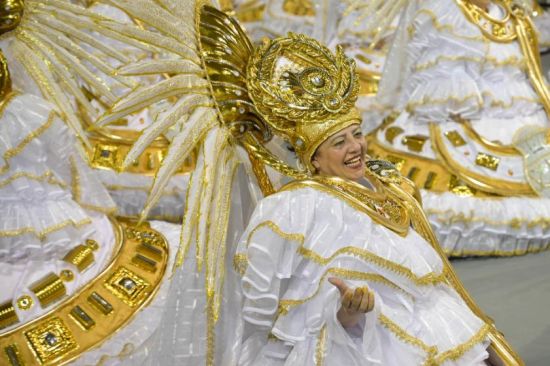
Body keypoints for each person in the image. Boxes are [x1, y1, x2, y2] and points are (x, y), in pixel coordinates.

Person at [231, 32, 520, 365]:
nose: (355, 147)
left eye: (357, 134)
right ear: (313, 159)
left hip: (434, 325)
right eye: (339, 143)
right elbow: (269, 311)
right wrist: (347, 316)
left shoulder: (386, 183)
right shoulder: (296, 206)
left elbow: (432, 281)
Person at [365, 0, 550, 256]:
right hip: (459, 120)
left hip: (523, 119)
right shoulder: (445, 12)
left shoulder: (510, 14)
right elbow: (446, 99)